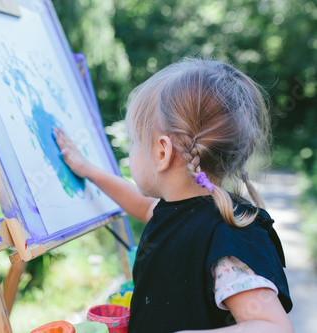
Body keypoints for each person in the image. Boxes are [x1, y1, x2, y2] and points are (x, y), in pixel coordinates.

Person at [53, 58, 293, 332]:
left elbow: (274, 327)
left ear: (162, 152)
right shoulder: (174, 211)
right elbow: (140, 204)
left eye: (135, 142)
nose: (131, 151)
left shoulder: (227, 236)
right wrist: (89, 171)